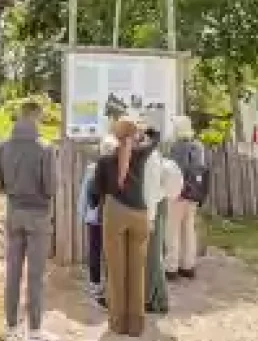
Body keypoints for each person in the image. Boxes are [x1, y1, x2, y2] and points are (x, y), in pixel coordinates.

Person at [88, 116, 160, 337]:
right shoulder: (140, 154)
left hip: (115, 212)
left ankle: (117, 324)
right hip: (139, 213)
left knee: (116, 271)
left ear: (115, 135)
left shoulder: (105, 161)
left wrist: (95, 203)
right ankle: (136, 325)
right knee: (137, 271)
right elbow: (156, 136)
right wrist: (143, 128)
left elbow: (94, 191)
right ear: (134, 135)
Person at [0, 100, 56, 341]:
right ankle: (34, 330)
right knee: (35, 274)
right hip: (39, 214)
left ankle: (11, 328)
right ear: (36, 117)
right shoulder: (45, 148)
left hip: (14, 211)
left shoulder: (2, 145)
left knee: (12, 271)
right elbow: (50, 187)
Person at [76, 132, 118, 306]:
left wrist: (81, 214)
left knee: (95, 250)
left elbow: (85, 195)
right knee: (112, 251)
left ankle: (95, 284)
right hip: (114, 217)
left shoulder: (93, 168)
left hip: (94, 217)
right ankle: (111, 285)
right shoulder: (120, 168)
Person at [165, 115, 209, 280]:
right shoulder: (198, 146)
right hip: (193, 194)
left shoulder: (176, 147)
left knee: (173, 230)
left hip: (178, 194)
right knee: (188, 229)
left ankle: (171, 267)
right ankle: (188, 265)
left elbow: (176, 171)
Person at [144, 144, 183, 314]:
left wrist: (150, 218)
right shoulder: (154, 156)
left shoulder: (150, 158)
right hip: (159, 204)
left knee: (153, 254)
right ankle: (156, 298)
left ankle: (156, 300)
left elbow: (151, 189)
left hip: (155, 205)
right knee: (155, 252)